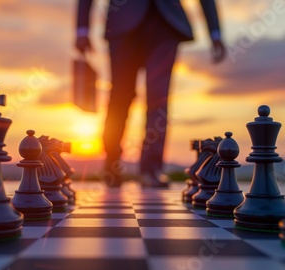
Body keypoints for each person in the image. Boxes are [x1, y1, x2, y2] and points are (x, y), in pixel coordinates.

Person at [75, 0, 226, 187]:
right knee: (120, 96)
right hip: (123, 23)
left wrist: (215, 31)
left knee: (159, 96)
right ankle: (112, 164)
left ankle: (151, 168)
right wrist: (82, 29)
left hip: (165, 24)